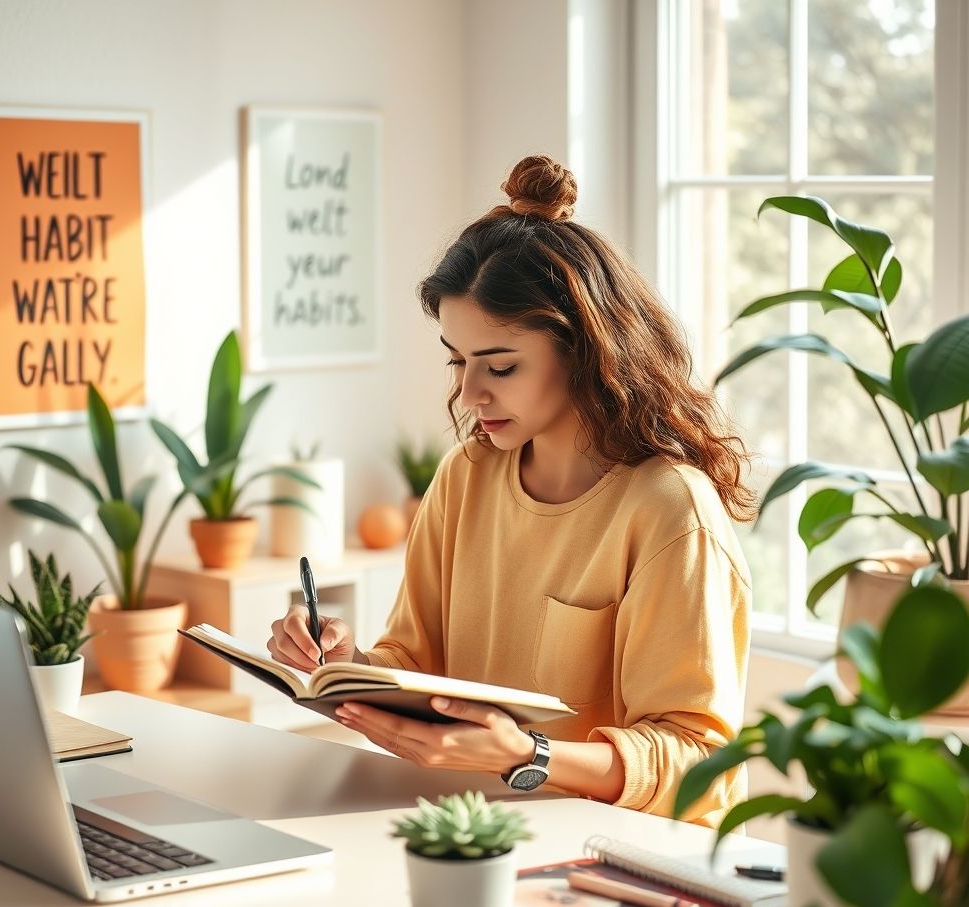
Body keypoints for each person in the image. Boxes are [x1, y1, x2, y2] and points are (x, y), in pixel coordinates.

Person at [269, 155, 755, 828]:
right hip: (465, 831)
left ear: (588, 351)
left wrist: (529, 754)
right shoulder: (465, 477)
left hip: (612, 858)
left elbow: (699, 765)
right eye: (458, 361)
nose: (470, 394)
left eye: (499, 365)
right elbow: (416, 662)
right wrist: (347, 664)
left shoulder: (670, 511)